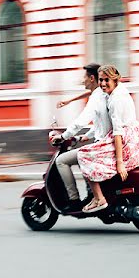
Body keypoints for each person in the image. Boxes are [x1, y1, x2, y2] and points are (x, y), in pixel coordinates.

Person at [78, 65, 139, 213]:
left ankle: (99, 199)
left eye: (107, 80)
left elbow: (117, 132)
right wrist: (88, 135)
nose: (103, 83)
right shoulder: (118, 90)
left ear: (115, 79)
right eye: (101, 80)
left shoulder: (115, 100)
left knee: (84, 155)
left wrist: (120, 163)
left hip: (126, 140)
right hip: (137, 136)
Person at [48, 63, 111, 203]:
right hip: (105, 142)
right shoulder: (102, 94)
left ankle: (74, 199)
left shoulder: (96, 99)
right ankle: (90, 193)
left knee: (61, 161)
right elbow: (102, 123)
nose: (83, 80)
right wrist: (86, 136)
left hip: (102, 146)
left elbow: (81, 121)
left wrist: (63, 136)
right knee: (81, 155)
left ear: (92, 78)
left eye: (85, 77)